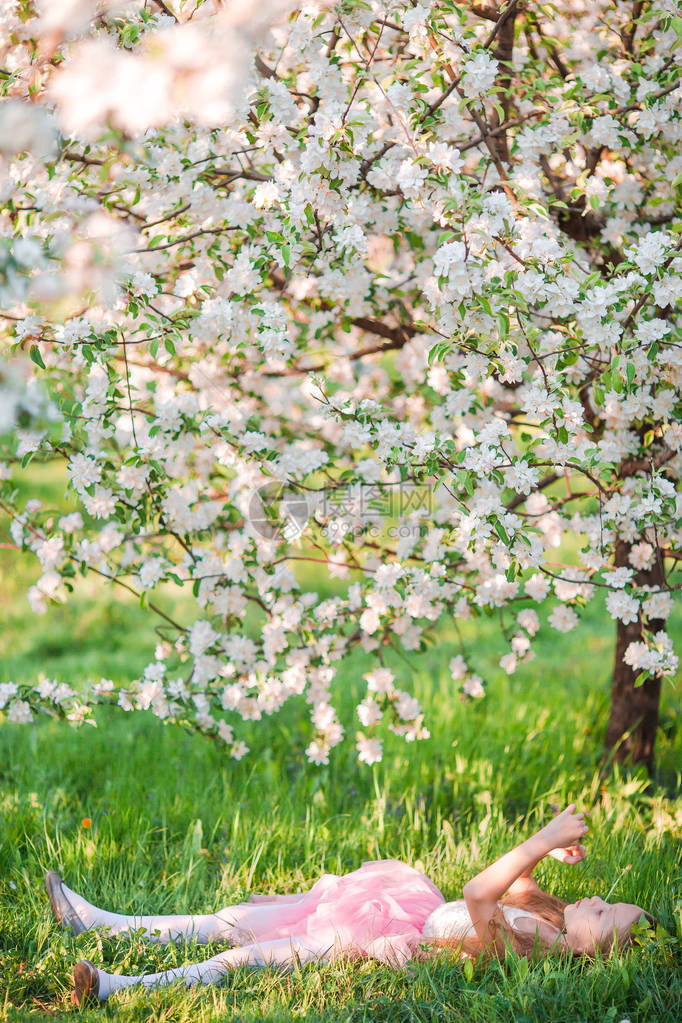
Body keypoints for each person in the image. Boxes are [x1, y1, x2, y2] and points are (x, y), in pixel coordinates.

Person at [45, 805, 654, 1006]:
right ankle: (101, 922)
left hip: (381, 944)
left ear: (584, 950)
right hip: (395, 906)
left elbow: (476, 893)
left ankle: (124, 986)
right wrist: (542, 863)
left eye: (602, 913)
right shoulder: (548, 917)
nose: (597, 897)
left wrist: (541, 839)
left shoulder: (527, 949)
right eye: (608, 897)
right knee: (236, 921)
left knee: (253, 957)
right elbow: (502, 885)